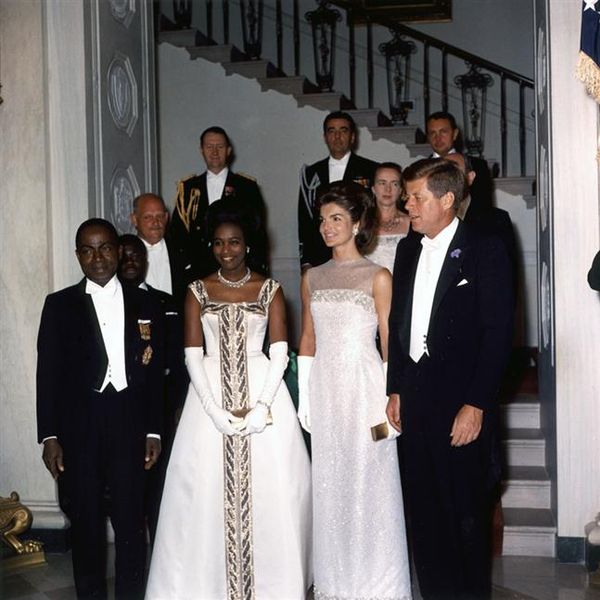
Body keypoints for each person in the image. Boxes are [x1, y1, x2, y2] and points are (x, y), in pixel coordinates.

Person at [146, 200, 312, 600]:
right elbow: (190, 354)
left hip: (263, 393)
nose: (226, 251)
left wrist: (262, 407)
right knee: (201, 495)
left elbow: (279, 352)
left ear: (248, 243)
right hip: (209, 398)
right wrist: (213, 409)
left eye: (234, 242)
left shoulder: (270, 289)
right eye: (219, 243)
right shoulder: (197, 291)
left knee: (276, 493)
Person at [386, 158, 513, 600]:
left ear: (446, 199)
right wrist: (395, 388)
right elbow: (398, 323)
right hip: (414, 399)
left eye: (416, 197)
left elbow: (498, 335)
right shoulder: (406, 249)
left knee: (466, 521)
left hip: (462, 404)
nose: (408, 204)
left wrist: (477, 404)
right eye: (407, 196)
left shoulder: (485, 247)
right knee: (424, 518)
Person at [36, 218, 164, 599]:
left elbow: (155, 372)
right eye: (88, 250)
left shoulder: (146, 302)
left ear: (118, 250)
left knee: (130, 524)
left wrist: (154, 429)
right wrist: (50, 435)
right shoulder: (59, 305)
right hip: (80, 427)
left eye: (105, 247)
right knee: (87, 524)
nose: (98, 257)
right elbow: (48, 374)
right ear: (78, 256)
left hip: (129, 421)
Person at [297, 183, 411, 599]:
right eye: (324, 219)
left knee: (370, 482)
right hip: (326, 389)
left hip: (365, 390)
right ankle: (335, 583)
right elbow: (307, 338)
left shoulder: (378, 276)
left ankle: (378, 584)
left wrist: (390, 398)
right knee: (331, 484)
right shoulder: (313, 275)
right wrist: (305, 398)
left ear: (358, 223)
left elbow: (388, 343)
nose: (327, 227)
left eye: (337, 219)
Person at [117, 234, 188, 543]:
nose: (131, 261)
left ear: (146, 262)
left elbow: (181, 357)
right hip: (120, 412)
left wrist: (179, 403)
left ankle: (160, 554)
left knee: (161, 488)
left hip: (161, 408)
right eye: (124, 256)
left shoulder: (165, 302)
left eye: (137, 256)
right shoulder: (107, 303)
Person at [169, 126, 269, 278]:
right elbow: (178, 234)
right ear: (201, 150)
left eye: (220, 147)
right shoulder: (187, 188)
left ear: (229, 150)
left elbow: (257, 233)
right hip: (198, 271)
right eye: (209, 147)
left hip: (238, 268)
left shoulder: (246, 186)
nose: (214, 152)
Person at [298, 111, 378, 270]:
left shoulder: (371, 169)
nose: (337, 136)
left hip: (358, 252)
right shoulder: (311, 173)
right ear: (325, 137)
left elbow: (373, 214)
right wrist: (306, 261)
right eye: (331, 131)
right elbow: (305, 220)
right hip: (320, 257)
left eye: (343, 130)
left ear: (353, 137)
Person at [130, 193, 192, 308]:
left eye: (160, 216)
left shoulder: (183, 251)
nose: (156, 222)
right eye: (148, 217)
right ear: (134, 219)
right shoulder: (123, 255)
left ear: (167, 217)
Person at [426, 110, 494, 213]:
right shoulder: (420, 169)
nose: (438, 138)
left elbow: (484, 206)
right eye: (432, 133)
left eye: (443, 132)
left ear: (455, 134)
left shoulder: (478, 166)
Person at [364, 161, 411, 273]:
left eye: (394, 184)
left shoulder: (412, 223)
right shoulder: (362, 222)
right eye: (382, 183)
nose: (388, 189)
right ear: (373, 188)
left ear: (400, 190)